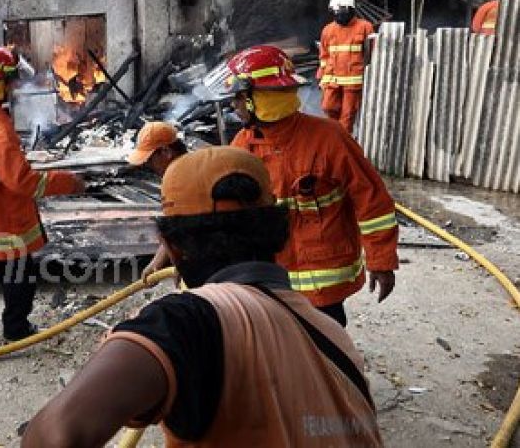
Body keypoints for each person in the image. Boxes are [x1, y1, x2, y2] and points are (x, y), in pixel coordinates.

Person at [22, 147, 382, 447]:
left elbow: (54, 437)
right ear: (280, 234)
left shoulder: (190, 321)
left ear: (174, 248)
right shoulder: (332, 335)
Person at [226, 44, 398, 327]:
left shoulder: (329, 138)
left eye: (239, 98)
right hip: (272, 277)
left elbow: (372, 202)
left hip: (325, 279)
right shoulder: (242, 147)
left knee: (327, 350)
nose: (235, 106)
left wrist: (381, 260)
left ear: (258, 99)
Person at [0, 45, 84, 341]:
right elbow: (24, 182)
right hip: (4, 213)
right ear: (0, 84)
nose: (15, 86)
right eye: (11, 80)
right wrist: (69, 182)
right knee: (22, 272)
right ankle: (16, 327)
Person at [126, 121, 188, 278]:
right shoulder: (190, 166)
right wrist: (156, 263)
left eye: (150, 160)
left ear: (166, 152)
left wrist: (182, 271)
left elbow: (176, 232)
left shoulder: (178, 179)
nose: (149, 166)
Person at [317, 0, 374, 134]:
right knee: (327, 107)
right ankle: (336, 137)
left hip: (353, 83)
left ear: (351, 9)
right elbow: (324, 56)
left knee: (347, 116)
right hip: (332, 80)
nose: (339, 14)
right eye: (335, 11)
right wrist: (322, 78)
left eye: (342, 10)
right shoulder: (328, 30)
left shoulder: (365, 27)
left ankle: (343, 143)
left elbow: (373, 53)